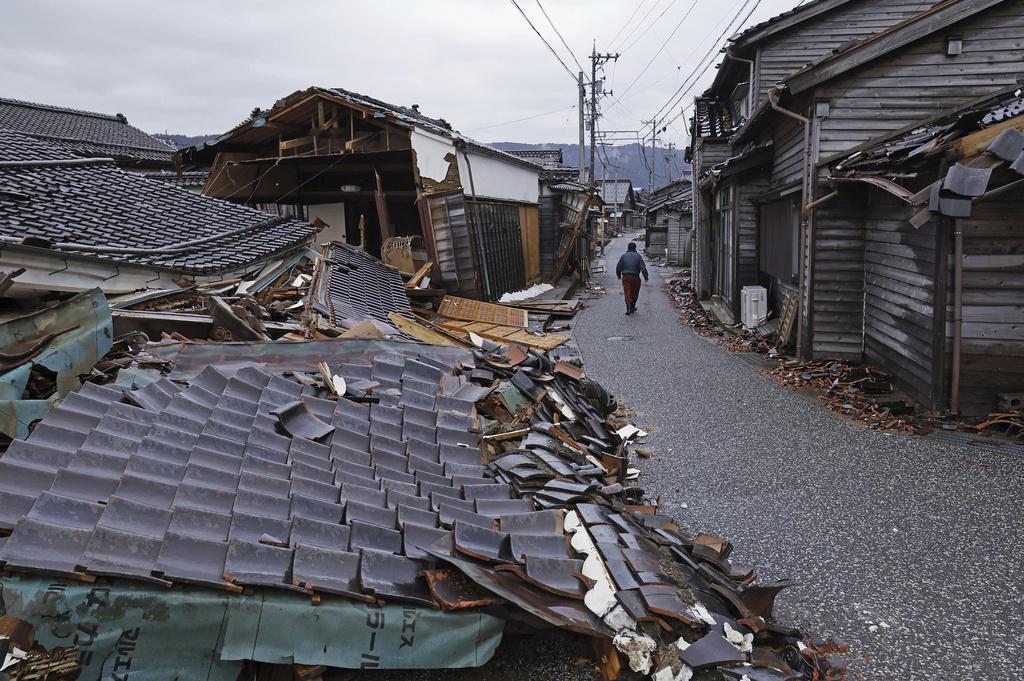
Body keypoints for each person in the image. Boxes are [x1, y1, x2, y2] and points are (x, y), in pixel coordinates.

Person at [615, 242, 648, 315]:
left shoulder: (623, 256)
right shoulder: (638, 256)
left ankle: (628, 308)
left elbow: (618, 267)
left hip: (626, 277)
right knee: (635, 293)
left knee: (627, 292)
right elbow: (643, 268)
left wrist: (618, 275)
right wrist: (645, 277)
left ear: (628, 248)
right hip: (635, 277)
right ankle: (632, 307)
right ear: (635, 248)